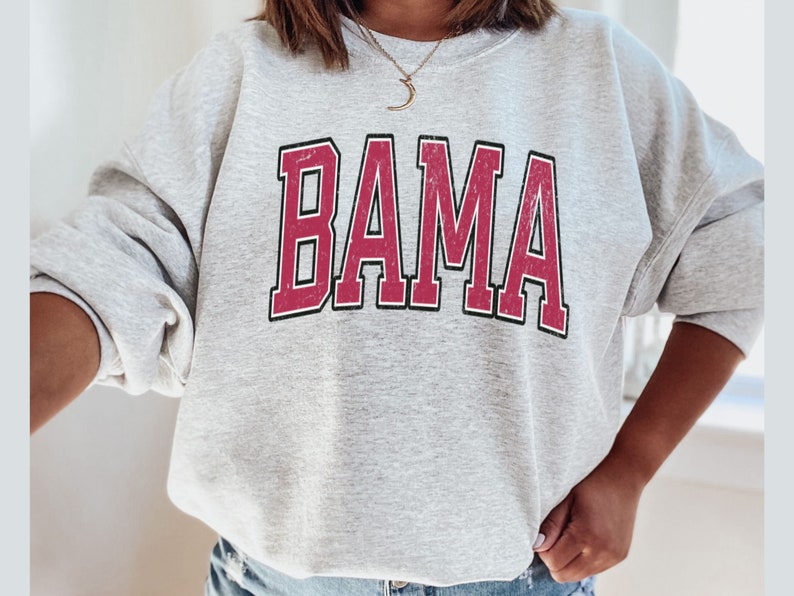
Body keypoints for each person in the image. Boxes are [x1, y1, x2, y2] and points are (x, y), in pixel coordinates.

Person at [29, 0, 763, 594]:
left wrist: (632, 466)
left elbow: (742, 246)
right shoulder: (239, 75)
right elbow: (107, 267)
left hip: (519, 578)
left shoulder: (602, 72)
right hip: (272, 580)